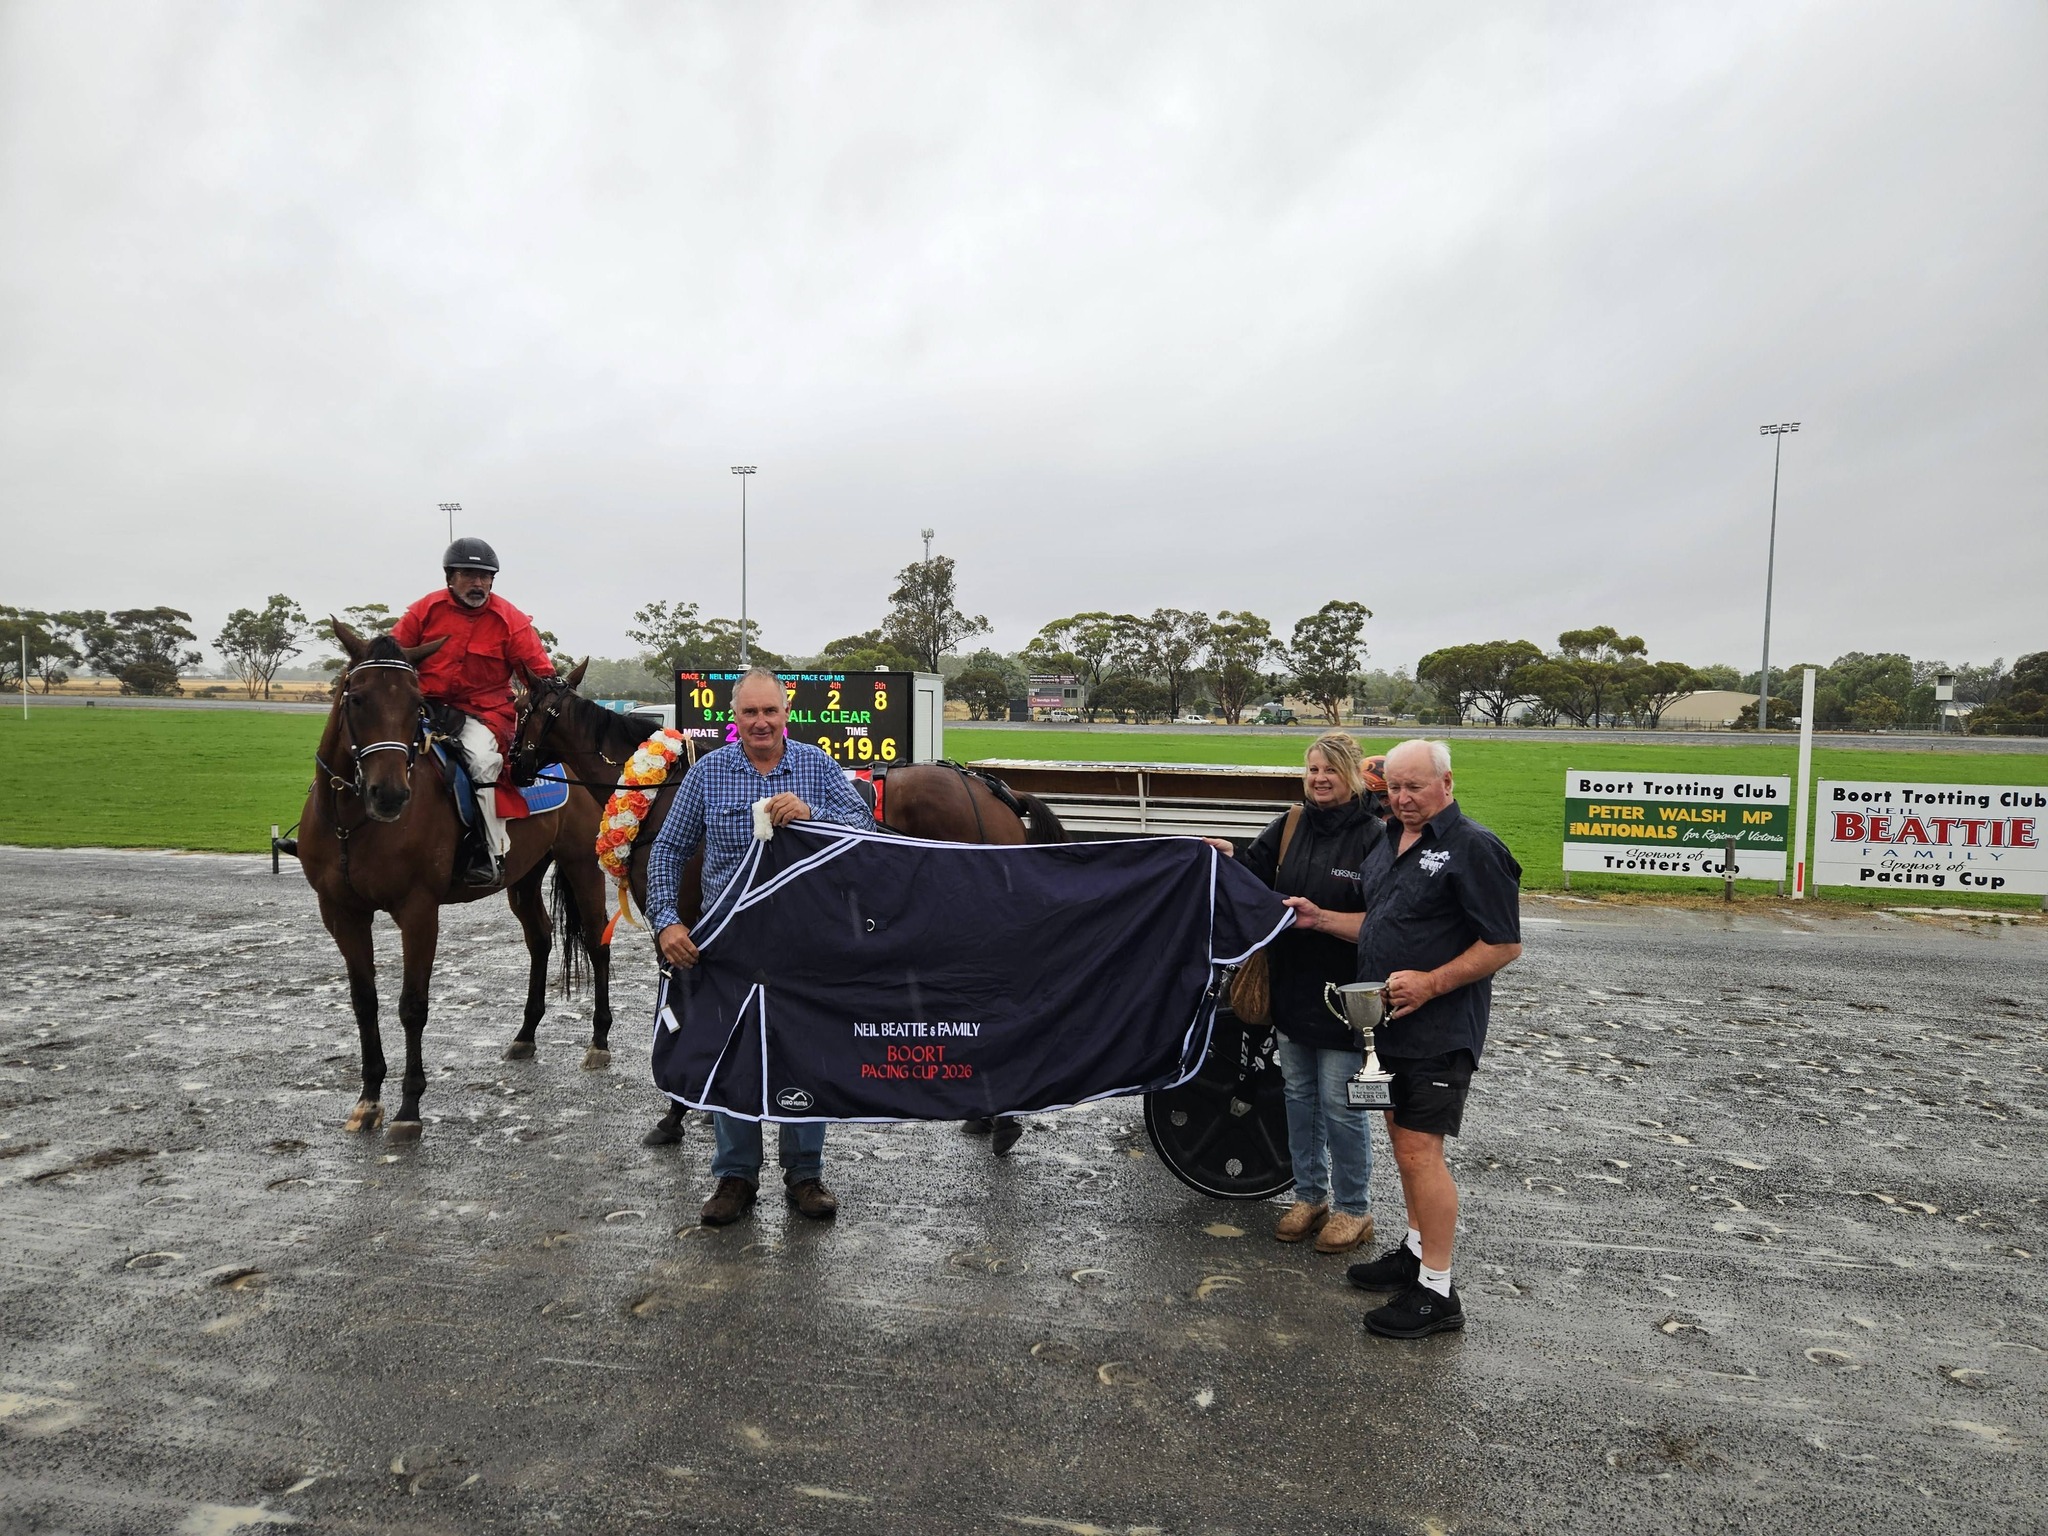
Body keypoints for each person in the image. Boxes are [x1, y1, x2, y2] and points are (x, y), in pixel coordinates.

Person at [646, 667, 875, 1227]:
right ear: (735, 718)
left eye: (769, 711)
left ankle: (805, 1174)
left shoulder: (817, 767)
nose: (760, 722)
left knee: (805, 1053)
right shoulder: (708, 774)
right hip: (730, 942)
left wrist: (814, 814)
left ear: (786, 714)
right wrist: (666, 921)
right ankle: (735, 1176)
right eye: (749, 712)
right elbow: (667, 851)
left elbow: (866, 826)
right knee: (734, 1059)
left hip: (804, 940)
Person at [1342, 739, 1522, 1339]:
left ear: (1446, 782)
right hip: (1388, 1026)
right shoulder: (1388, 838)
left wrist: (1431, 983)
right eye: (1394, 787)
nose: (1403, 797)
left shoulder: (1474, 848)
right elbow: (1383, 920)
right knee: (1403, 1146)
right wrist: (1320, 918)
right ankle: (1416, 1254)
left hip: (1439, 1030)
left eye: (1415, 786)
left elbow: (1502, 943)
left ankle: (1438, 1294)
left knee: (1423, 1152)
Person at [1205, 733, 1380, 1254]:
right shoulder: (1291, 824)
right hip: (1291, 983)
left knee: (1341, 1104)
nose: (1319, 779)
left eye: (1329, 770)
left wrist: (1323, 920)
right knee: (1299, 1097)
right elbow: (1257, 875)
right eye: (1312, 770)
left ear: (1350, 775)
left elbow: (1383, 922)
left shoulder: (1375, 837)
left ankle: (1354, 1208)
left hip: (1346, 994)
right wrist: (1227, 858)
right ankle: (1309, 1196)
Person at [392, 538, 556, 885]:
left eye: (485, 576)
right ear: (450, 577)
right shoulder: (423, 612)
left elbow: (541, 676)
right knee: (368, 741)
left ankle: (489, 852)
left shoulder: (510, 621)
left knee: (483, 760)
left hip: (482, 714)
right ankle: (327, 833)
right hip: (424, 707)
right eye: (468, 574)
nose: (477, 583)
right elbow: (393, 655)